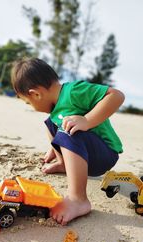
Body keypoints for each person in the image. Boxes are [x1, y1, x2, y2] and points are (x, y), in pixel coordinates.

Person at [11, 57, 125, 225]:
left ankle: (78, 199)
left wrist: (87, 120)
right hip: (85, 155)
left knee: (68, 129)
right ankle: (64, 163)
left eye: (29, 102)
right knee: (51, 123)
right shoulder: (56, 110)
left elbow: (116, 96)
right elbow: (58, 128)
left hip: (105, 154)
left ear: (36, 94)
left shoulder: (73, 91)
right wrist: (56, 147)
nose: (32, 106)